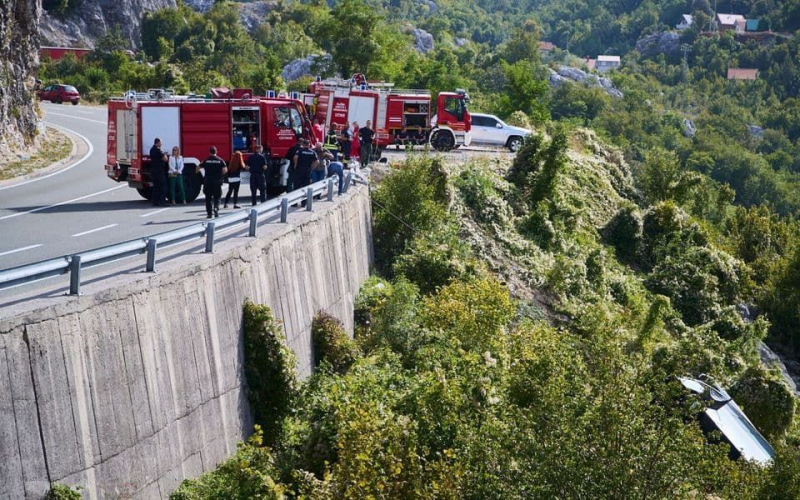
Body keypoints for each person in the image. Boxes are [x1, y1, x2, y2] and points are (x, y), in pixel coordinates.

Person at [200, 146, 227, 218]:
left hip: (207, 181)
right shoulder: (220, 160)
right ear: (216, 151)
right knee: (217, 197)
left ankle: (209, 214)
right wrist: (220, 175)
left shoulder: (206, 160)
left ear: (209, 152)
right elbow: (225, 170)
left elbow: (198, 167)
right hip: (217, 181)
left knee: (208, 198)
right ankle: (216, 208)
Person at [149, 138, 168, 206]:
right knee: (163, 186)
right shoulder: (159, 150)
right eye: (160, 143)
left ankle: (155, 202)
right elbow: (165, 159)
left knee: (155, 187)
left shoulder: (151, 150)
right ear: (157, 143)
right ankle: (162, 201)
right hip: (159, 171)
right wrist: (165, 154)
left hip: (153, 170)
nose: (161, 144)